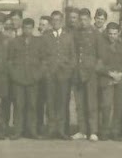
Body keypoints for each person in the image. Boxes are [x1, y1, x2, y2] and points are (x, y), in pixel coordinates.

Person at [7, 17, 45, 139]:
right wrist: (14, 75)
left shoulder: (38, 42)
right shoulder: (15, 41)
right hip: (18, 79)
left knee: (32, 105)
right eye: (25, 28)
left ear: (33, 29)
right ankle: (18, 131)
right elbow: (9, 60)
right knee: (18, 105)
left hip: (33, 79)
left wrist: (38, 75)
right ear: (22, 28)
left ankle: (32, 131)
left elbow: (43, 60)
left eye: (29, 28)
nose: (27, 30)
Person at [41, 10, 76, 139]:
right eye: (53, 20)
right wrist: (46, 70)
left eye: (58, 20)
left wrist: (68, 70)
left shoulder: (68, 36)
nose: (56, 22)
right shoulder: (46, 35)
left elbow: (73, 56)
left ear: (62, 21)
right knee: (50, 102)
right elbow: (42, 56)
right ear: (51, 22)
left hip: (64, 75)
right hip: (50, 75)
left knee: (62, 103)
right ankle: (51, 129)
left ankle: (61, 130)